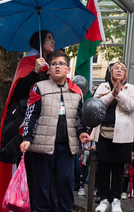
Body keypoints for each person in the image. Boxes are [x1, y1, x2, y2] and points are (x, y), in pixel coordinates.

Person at [19, 50, 91, 212]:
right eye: (54, 64)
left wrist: (82, 132)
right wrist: (27, 138)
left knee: (65, 182)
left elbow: (80, 117)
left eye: (62, 63)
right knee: (42, 185)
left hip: (67, 147)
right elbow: (32, 115)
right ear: (49, 69)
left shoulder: (76, 91)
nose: (58, 66)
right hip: (42, 146)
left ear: (68, 69)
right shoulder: (39, 88)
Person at [0, 30, 55, 210]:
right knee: (23, 165)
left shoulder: (51, 65)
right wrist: (34, 72)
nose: (52, 42)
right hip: (23, 123)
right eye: (48, 39)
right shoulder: (27, 62)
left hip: (44, 124)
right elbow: (18, 91)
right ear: (39, 41)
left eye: (53, 39)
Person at [91, 62, 134, 212]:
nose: (119, 70)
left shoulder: (130, 88)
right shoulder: (103, 87)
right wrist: (112, 93)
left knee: (119, 170)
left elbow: (132, 106)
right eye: (116, 68)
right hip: (104, 134)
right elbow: (97, 104)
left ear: (126, 74)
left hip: (122, 136)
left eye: (123, 69)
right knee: (104, 169)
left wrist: (119, 93)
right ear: (110, 71)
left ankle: (116, 200)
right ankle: (104, 199)